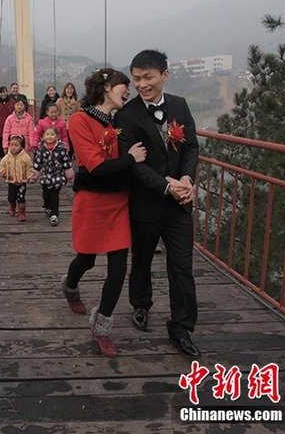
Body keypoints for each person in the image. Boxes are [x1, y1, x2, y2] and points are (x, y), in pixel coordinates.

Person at [114, 49, 200, 357]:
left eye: (148, 77)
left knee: (182, 267)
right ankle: (140, 304)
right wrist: (167, 186)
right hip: (147, 202)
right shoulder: (127, 114)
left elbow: (190, 147)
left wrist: (187, 180)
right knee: (142, 259)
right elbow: (134, 166)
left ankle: (182, 328)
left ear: (165, 75)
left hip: (179, 205)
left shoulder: (180, 105)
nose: (141, 84)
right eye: (136, 78)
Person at [61, 68, 147, 358]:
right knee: (85, 259)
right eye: (125, 86)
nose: (129, 91)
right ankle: (70, 286)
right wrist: (130, 159)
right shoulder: (79, 120)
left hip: (118, 201)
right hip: (93, 202)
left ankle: (102, 327)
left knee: (119, 269)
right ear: (108, 87)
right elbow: (96, 166)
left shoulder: (119, 120)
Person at [32, 127, 74, 226]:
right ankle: (47, 205)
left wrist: (69, 174)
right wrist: (35, 175)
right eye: (47, 134)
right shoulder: (41, 149)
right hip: (46, 176)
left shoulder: (61, 149)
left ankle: (54, 215)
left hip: (57, 176)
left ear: (57, 136)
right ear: (43, 137)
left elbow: (66, 162)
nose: (49, 137)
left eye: (52, 135)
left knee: (54, 196)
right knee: (46, 195)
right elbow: (37, 163)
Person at [0, 135, 34, 222]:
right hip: (11, 181)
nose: (13, 148)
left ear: (21, 146)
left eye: (16, 145)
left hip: (22, 182)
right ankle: (12, 206)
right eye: (11, 145)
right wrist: (4, 173)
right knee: (11, 197)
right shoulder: (7, 157)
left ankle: (22, 212)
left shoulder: (25, 157)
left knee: (21, 197)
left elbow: (29, 168)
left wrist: (29, 177)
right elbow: (1, 165)